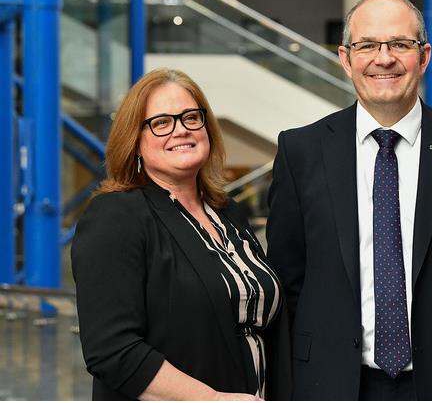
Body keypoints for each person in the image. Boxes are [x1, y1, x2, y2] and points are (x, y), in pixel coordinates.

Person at [266, 0, 432, 400]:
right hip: (332, 385)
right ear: (346, 59)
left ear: (424, 56)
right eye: (367, 46)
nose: (384, 59)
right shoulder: (301, 151)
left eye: (400, 44)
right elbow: (287, 279)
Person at [71, 68, 291, 400]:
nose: (181, 130)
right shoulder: (116, 217)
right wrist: (212, 399)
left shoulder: (227, 212)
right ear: (135, 143)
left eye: (191, 117)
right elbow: (112, 350)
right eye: (161, 123)